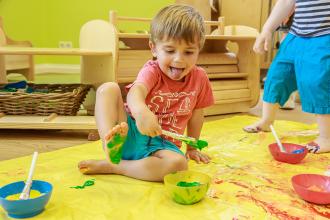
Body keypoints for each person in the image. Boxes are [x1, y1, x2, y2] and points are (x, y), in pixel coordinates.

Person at [78, 4, 215, 181]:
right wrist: (141, 112)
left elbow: (197, 115)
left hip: (164, 145)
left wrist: (192, 148)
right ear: (153, 48)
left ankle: (116, 167)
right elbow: (136, 92)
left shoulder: (200, 78)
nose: (178, 59)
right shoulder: (152, 70)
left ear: (198, 51)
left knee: (179, 165)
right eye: (170, 50)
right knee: (107, 89)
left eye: (188, 52)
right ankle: (110, 145)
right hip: (130, 131)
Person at [243, 0, 330, 153]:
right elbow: (285, 2)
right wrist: (267, 29)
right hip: (295, 35)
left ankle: (326, 137)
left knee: (316, 82)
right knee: (277, 76)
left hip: (324, 37)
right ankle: (267, 121)